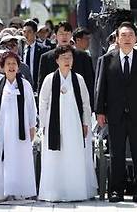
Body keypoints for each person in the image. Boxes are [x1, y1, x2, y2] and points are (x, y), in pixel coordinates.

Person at [95, 22, 137, 203]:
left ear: (136, 38)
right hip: (115, 114)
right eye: (123, 35)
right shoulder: (107, 59)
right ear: (117, 39)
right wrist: (100, 111)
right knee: (117, 153)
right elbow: (101, 88)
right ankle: (116, 190)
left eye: (130, 35)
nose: (127, 38)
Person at [38, 46, 96, 201]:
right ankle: (55, 191)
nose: (67, 60)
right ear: (57, 60)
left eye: (70, 57)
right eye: (63, 57)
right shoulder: (50, 79)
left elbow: (85, 103)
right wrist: (43, 124)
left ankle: (74, 191)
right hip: (54, 124)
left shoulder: (78, 79)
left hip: (74, 123)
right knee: (55, 156)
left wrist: (86, 123)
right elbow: (43, 102)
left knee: (73, 155)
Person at [0, 51, 37, 201]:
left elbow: (31, 106)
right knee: (4, 159)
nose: (11, 66)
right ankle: (4, 191)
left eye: (14, 63)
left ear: (18, 67)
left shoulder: (25, 85)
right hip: (3, 130)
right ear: (2, 67)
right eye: (8, 64)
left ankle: (21, 190)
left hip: (20, 131)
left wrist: (32, 126)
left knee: (21, 158)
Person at [38, 21, 95, 105]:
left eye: (67, 33)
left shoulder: (83, 57)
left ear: (71, 35)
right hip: (54, 104)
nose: (64, 37)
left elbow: (90, 83)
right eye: (61, 34)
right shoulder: (46, 58)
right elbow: (41, 85)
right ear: (56, 35)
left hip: (77, 103)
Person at [21, 19, 48, 90]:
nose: (26, 35)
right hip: (22, 87)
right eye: (24, 32)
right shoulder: (19, 49)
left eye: (29, 32)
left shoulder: (44, 49)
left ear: (35, 33)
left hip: (38, 87)